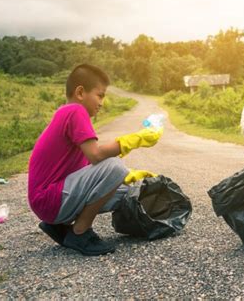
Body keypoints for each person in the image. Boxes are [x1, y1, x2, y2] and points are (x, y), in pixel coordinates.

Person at [28, 64, 161, 256]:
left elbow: (90, 167)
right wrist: (135, 139)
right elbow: (97, 155)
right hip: (50, 200)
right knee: (115, 167)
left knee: (126, 192)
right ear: (80, 92)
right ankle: (80, 232)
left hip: (48, 202)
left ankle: (59, 226)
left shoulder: (65, 113)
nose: (102, 102)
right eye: (100, 95)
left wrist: (129, 176)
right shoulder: (75, 111)